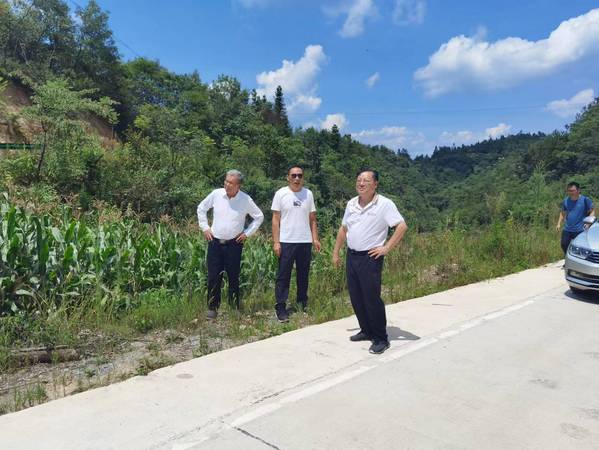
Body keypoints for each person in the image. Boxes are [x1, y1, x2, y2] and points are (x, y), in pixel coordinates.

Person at [332, 169, 408, 354]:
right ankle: (366, 330)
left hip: (370, 257)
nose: (361, 183)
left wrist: (386, 248)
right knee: (356, 296)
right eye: (359, 180)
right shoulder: (351, 203)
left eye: (366, 180)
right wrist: (336, 253)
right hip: (352, 255)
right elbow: (343, 229)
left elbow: (401, 226)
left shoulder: (384, 204)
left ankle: (381, 338)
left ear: (375, 184)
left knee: (371, 298)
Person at [197, 170, 264, 319]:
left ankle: (234, 307)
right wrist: (205, 227)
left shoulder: (245, 199)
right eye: (226, 181)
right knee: (213, 276)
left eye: (231, 183)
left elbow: (259, 217)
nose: (227, 185)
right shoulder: (216, 194)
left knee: (234, 276)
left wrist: (247, 233)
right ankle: (212, 308)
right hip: (215, 242)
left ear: (238, 185)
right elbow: (201, 208)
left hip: (234, 244)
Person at [271, 166, 321, 322]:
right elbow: (275, 220)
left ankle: (302, 303)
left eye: (300, 175)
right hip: (286, 241)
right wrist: (276, 242)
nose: (297, 178)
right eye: (293, 175)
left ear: (303, 178)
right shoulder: (281, 194)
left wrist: (315, 238)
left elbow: (312, 219)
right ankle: (280, 307)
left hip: (305, 240)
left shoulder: (308, 194)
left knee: (303, 274)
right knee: (283, 275)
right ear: (288, 177)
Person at [556, 181, 595, 254]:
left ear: (578, 190)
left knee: (580, 248)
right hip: (567, 229)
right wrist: (558, 224)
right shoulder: (566, 201)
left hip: (580, 230)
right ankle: (568, 258)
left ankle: (576, 259)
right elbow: (562, 213)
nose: (571, 193)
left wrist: (588, 223)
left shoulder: (585, 200)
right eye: (569, 191)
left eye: (573, 190)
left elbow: (592, 211)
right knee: (564, 245)